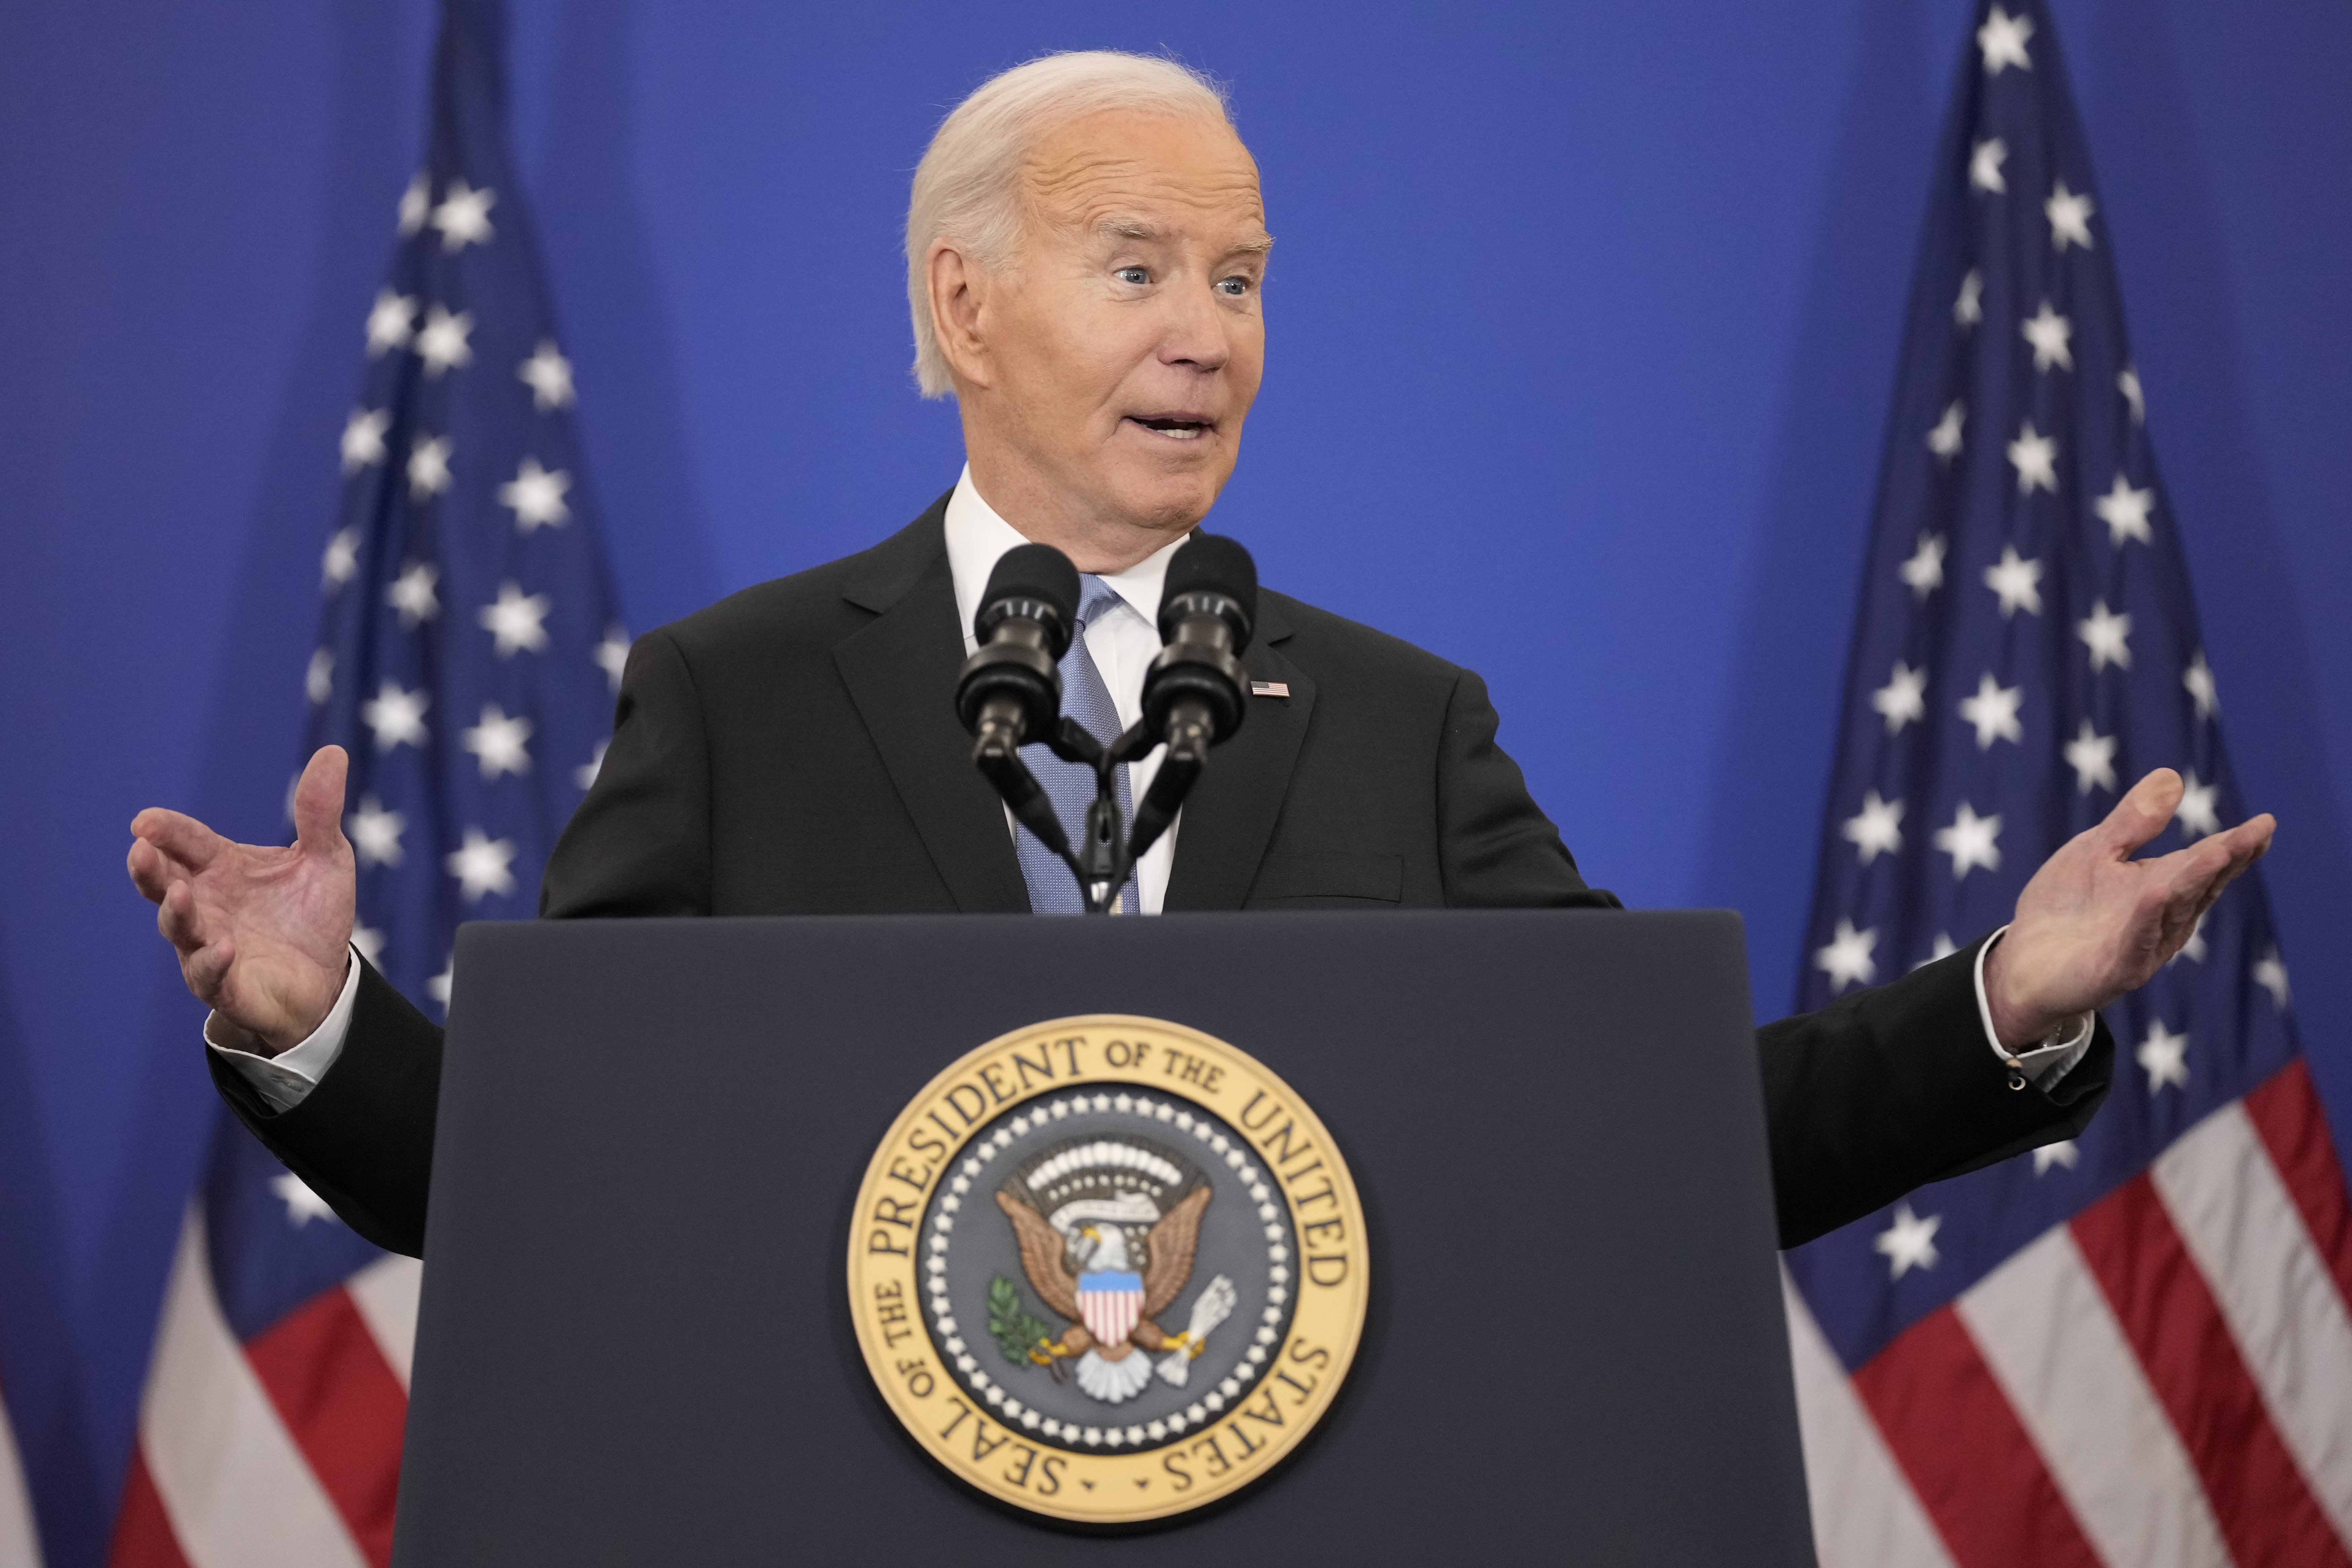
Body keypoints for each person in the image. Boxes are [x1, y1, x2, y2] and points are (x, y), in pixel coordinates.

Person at [126, 52, 2271, 1260]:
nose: (1207, 331)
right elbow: (555, 1171)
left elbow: (1665, 1124)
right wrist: (325, 1028)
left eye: (1242, 274)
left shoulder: (1401, 724)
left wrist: (2005, 998)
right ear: (965, 312)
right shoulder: (736, 695)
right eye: (1137, 263)